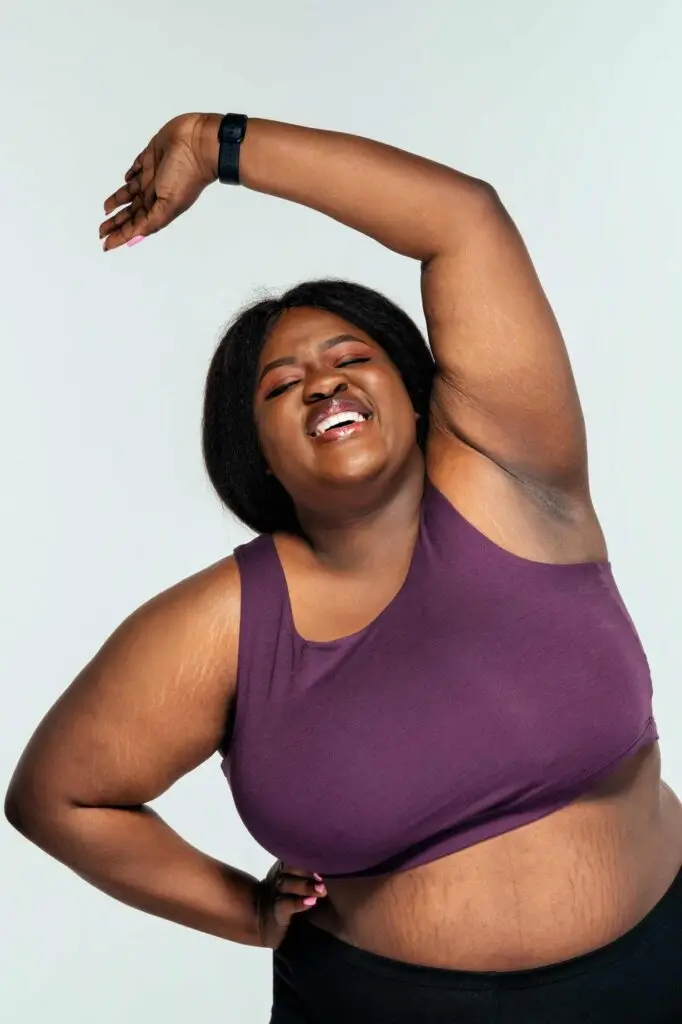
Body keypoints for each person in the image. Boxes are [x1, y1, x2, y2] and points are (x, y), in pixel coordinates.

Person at [5, 111, 682, 1023]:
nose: (322, 383)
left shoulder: (512, 475)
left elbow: (462, 219)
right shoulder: (223, 625)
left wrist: (219, 144)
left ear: (415, 391)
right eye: (281, 387)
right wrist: (244, 909)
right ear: (257, 455)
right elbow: (59, 797)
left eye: (350, 358)